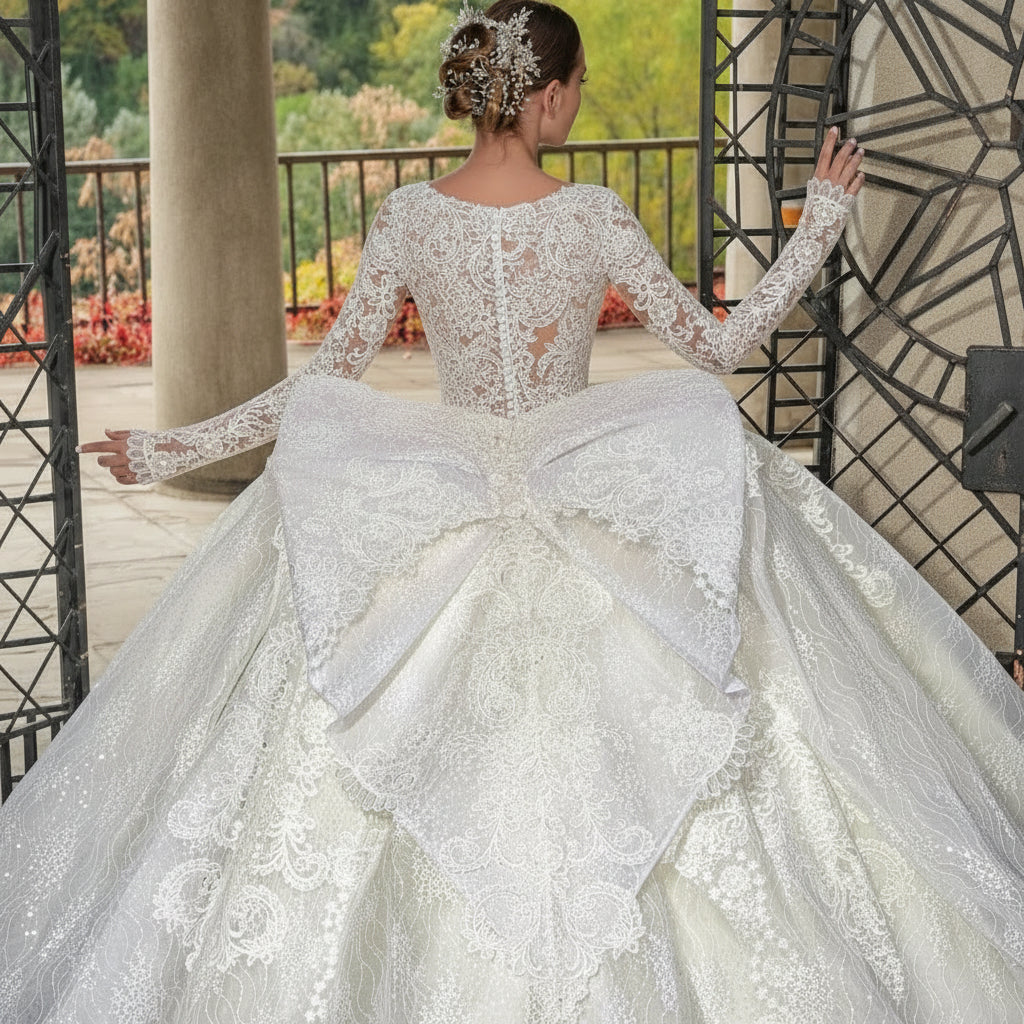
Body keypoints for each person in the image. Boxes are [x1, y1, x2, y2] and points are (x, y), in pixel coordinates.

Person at [2, 1, 1022, 1020]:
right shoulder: (591, 214)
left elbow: (323, 382)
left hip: (450, 498)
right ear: (549, 94)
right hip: (578, 487)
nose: (578, 105)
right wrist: (820, 225)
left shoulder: (409, 215)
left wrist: (170, 448)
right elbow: (721, 345)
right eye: (577, 88)